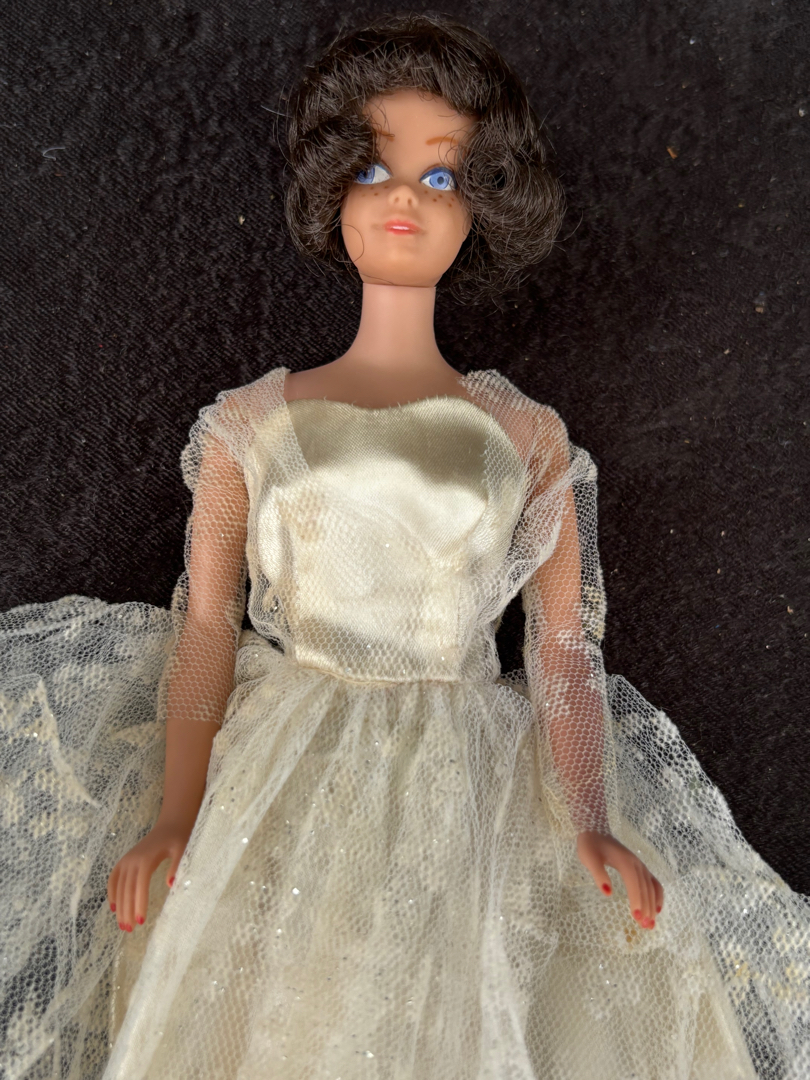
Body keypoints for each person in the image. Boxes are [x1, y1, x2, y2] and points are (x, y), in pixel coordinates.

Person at [0, 13, 806, 1080]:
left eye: (441, 177)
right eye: (375, 168)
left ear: (484, 203)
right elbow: (206, 627)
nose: (403, 201)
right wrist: (175, 815)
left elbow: (563, 649)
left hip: (462, 785)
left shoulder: (525, 437)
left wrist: (591, 820)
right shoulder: (252, 424)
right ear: (333, 187)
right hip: (281, 774)